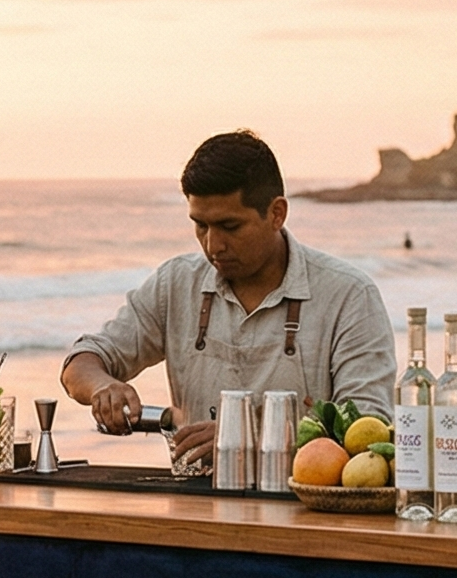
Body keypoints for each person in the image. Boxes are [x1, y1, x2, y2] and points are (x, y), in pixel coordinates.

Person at [62, 130, 396, 467]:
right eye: (201, 226)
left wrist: (242, 435)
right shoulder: (175, 284)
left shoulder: (349, 296)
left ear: (277, 214)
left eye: (230, 226)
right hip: (193, 504)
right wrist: (102, 386)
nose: (213, 245)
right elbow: (81, 362)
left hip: (305, 509)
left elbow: (368, 429)